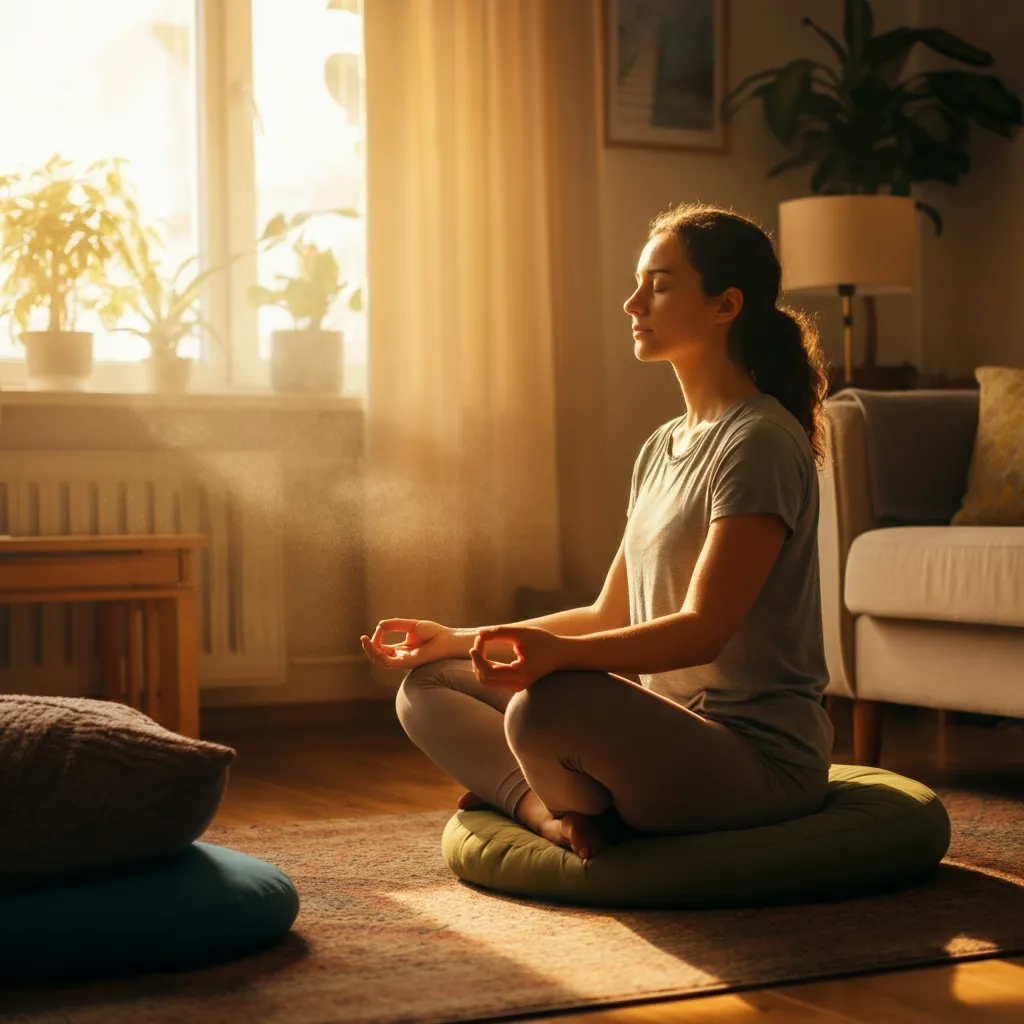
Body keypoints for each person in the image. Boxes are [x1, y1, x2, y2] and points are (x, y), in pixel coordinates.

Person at [361, 202, 834, 862]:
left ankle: (553, 795)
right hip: (664, 738)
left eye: (659, 284)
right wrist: (460, 638)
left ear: (725, 305)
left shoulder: (758, 442)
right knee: (429, 684)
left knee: (544, 706)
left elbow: (705, 628)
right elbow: (609, 612)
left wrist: (554, 659)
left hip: (756, 760)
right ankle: (546, 812)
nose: (631, 303)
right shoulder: (663, 446)